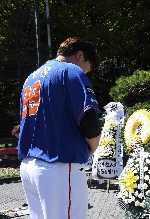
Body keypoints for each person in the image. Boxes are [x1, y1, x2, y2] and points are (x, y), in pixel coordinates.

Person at [18, 37, 102, 219]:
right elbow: (90, 121)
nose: (85, 73)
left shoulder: (31, 78)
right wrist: (93, 147)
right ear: (80, 55)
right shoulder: (71, 71)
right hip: (60, 164)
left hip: (29, 166)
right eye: (87, 68)